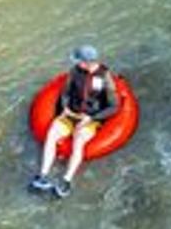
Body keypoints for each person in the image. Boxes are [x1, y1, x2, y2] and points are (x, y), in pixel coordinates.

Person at [31, 45, 118, 197]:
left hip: (90, 118)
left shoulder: (105, 77)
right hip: (70, 114)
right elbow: (65, 93)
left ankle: (66, 181)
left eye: (79, 61)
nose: (76, 63)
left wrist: (91, 118)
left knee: (79, 140)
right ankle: (42, 176)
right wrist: (65, 108)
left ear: (87, 62)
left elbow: (114, 107)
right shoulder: (74, 72)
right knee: (52, 134)